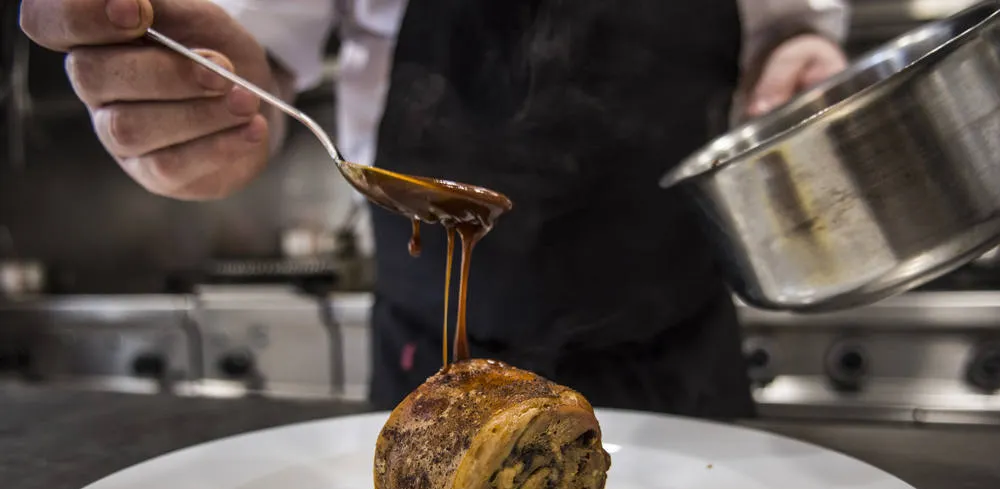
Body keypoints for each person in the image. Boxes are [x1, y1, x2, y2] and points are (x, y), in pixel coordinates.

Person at [20, 0, 849, 418]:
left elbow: (787, 21)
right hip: (436, 357)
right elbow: (254, 51)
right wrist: (211, 102)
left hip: (674, 349)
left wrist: (798, 52)